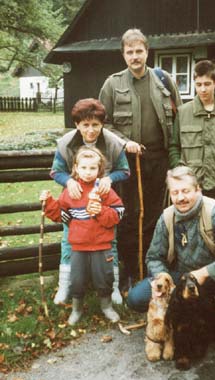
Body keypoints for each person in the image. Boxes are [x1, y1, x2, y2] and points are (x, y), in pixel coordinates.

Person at [127, 166, 215, 357]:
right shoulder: (167, 217)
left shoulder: (214, 211)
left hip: (214, 276)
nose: (181, 198)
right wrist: (161, 278)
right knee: (136, 298)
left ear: (198, 190)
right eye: (175, 192)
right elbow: (154, 257)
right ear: (170, 194)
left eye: (186, 191)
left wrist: (206, 272)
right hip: (180, 278)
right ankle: (172, 322)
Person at [99, 28, 182, 287]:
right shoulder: (112, 84)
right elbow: (102, 124)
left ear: (147, 51)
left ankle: (152, 266)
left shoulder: (164, 80)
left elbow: (178, 119)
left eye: (139, 51)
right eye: (130, 52)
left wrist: (176, 158)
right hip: (127, 162)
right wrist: (125, 142)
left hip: (159, 160)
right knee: (128, 214)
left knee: (156, 215)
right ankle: (130, 269)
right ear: (123, 54)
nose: (135, 56)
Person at [50, 98, 130, 305]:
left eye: (95, 124)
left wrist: (109, 178)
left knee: (109, 240)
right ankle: (65, 286)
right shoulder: (66, 142)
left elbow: (125, 170)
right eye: (85, 125)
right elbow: (55, 171)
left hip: (103, 200)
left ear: (102, 123)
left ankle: (112, 288)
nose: (91, 130)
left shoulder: (113, 142)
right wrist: (68, 181)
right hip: (75, 199)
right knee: (68, 240)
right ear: (77, 124)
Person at [40, 147, 125, 324]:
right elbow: (61, 216)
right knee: (76, 280)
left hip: (102, 246)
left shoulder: (104, 190)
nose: (88, 172)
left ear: (99, 169)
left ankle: (106, 306)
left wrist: (101, 211)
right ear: (76, 168)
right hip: (78, 247)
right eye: (84, 168)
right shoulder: (72, 190)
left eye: (92, 168)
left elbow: (117, 215)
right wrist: (48, 203)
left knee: (104, 279)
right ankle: (76, 309)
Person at [169, 59, 215, 215]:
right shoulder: (183, 113)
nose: (203, 89)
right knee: (191, 235)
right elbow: (174, 146)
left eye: (207, 84)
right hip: (191, 190)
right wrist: (180, 170)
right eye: (198, 84)